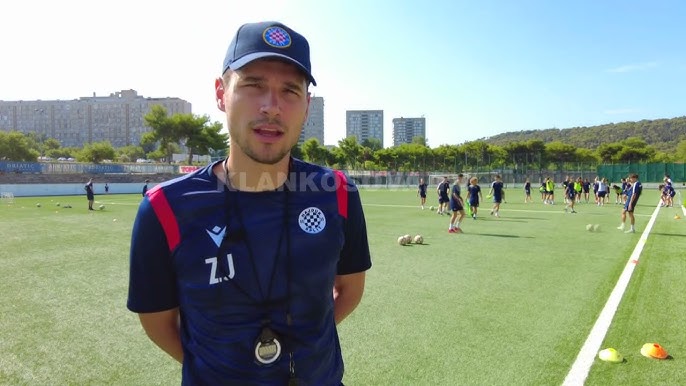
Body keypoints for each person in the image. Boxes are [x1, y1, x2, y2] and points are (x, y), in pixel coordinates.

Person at [127, 21, 372, 385]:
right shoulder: (165, 208)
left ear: (306, 106)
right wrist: (216, 366)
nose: (272, 107)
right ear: (221, 93)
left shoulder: (336, 192)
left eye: (290, 90)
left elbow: (350, 290)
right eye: (254, 85)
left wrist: (304, 340)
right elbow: (157, 322)